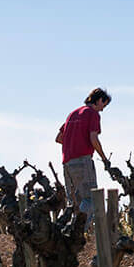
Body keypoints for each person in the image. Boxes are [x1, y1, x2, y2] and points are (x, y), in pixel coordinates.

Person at [56, 87, 111, 226]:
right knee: (91, 200)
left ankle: (65, 235)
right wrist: (104, 159)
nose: (102, 109)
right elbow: (94, 138)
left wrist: (74, 140)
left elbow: (59, 138)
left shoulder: (72, 114)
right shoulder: (92, 114)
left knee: (75, 203)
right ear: (99, 100)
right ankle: (76, 231)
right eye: (103, 105)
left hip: (67, 163)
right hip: (83, 161)